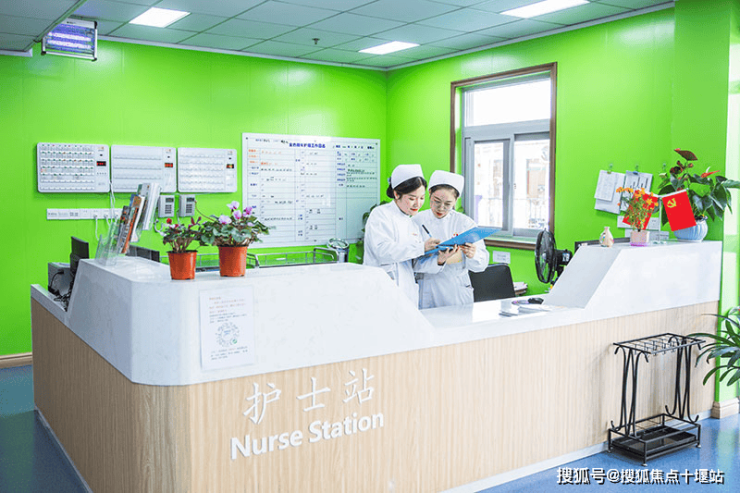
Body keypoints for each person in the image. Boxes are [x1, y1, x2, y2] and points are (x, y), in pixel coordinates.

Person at [363, 164, 457, 307]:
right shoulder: (381, 214)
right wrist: (421, 247)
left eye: (422, 198)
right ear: (396, 194)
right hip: (382, 291)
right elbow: (383, 252)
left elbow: (415, 264)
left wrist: (440, 259)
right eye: (412, 198)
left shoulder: (411, 223)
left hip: (407, 294)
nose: (418, 204)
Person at [413, 170, 488, 309]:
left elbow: (481, 265)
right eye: (436, 201)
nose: (441, 208)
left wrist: (473, 254)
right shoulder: (417, 221)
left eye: (448, 204)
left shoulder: (465, 224)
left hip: (456, 291)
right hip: (428, 289)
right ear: (429, 193)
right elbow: (411, 263)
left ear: (455, 201)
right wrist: (439, 260)